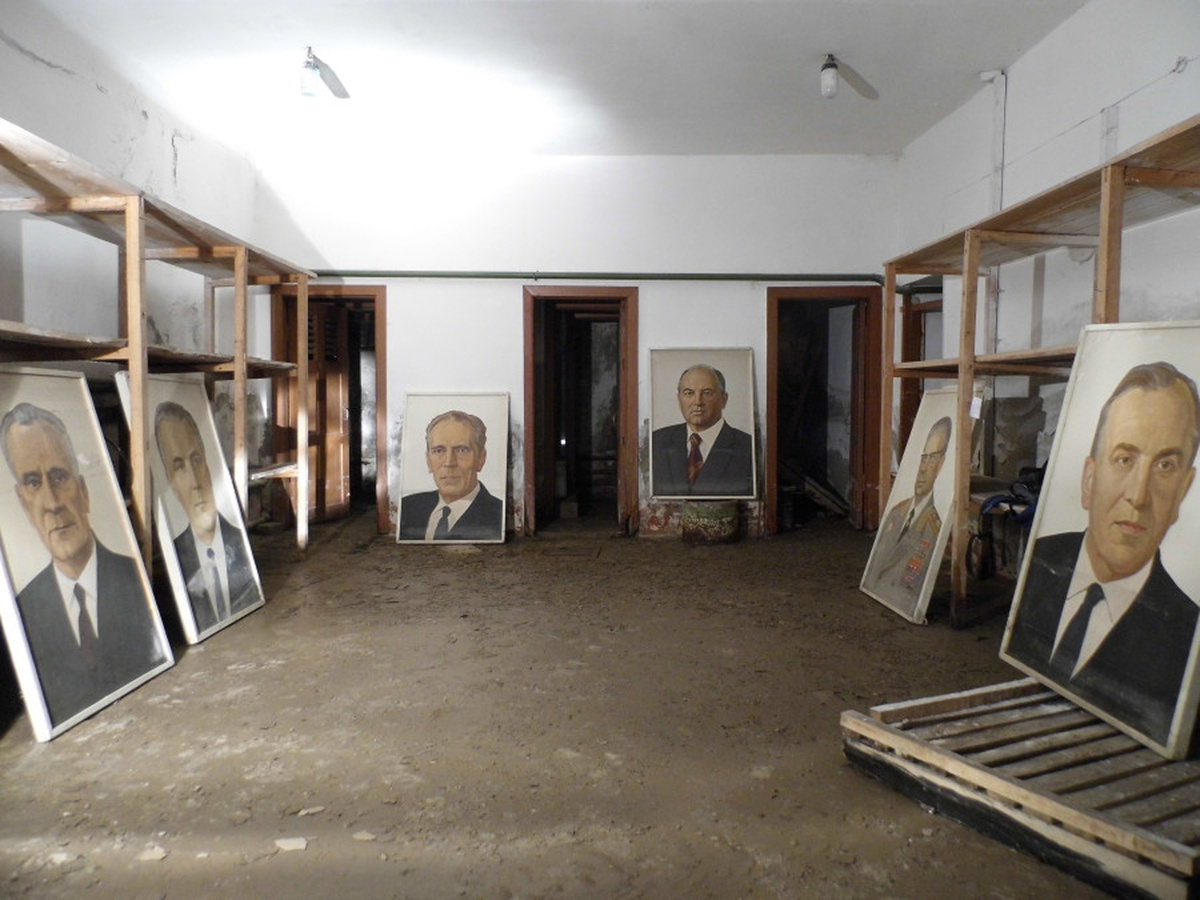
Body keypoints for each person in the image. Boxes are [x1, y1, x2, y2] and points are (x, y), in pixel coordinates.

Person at [1005, 361, 1200, 747]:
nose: (1138, 496)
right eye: (1124, 459)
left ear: (1183, 490)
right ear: (1089, 479)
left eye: (1165, 465)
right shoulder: (1039, 561)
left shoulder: (1186, 633)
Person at [1, 402, 167, 726]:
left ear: (83, 491)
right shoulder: (23, 613)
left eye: (59, 476)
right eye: (33, 483)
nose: (52, 503)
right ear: (23, 504)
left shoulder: (136, 580)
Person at [154, 401, 259, 633]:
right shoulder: (176, 556)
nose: (195, 482)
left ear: (208, 465)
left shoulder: (240, 542)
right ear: (170, 483)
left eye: (196, 461)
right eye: (179, 467)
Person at [861, 416, 951, 616]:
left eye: (932, 458)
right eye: (924, 457)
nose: (923, 468)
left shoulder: (932, 528)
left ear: (941, 464)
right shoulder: (896, 513)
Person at [398, 410, 504, 541]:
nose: (449, 463)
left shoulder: (499, 515)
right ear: (428, 460)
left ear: (481, 458)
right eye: (439, 451)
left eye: (461, 450)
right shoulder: (407, 508)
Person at [651, 364, 754, 497]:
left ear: (724, 399)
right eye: (689, 393)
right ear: (679, 399)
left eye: (707, 393)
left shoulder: (749, 448)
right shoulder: (656, 442)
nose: (697, 402)